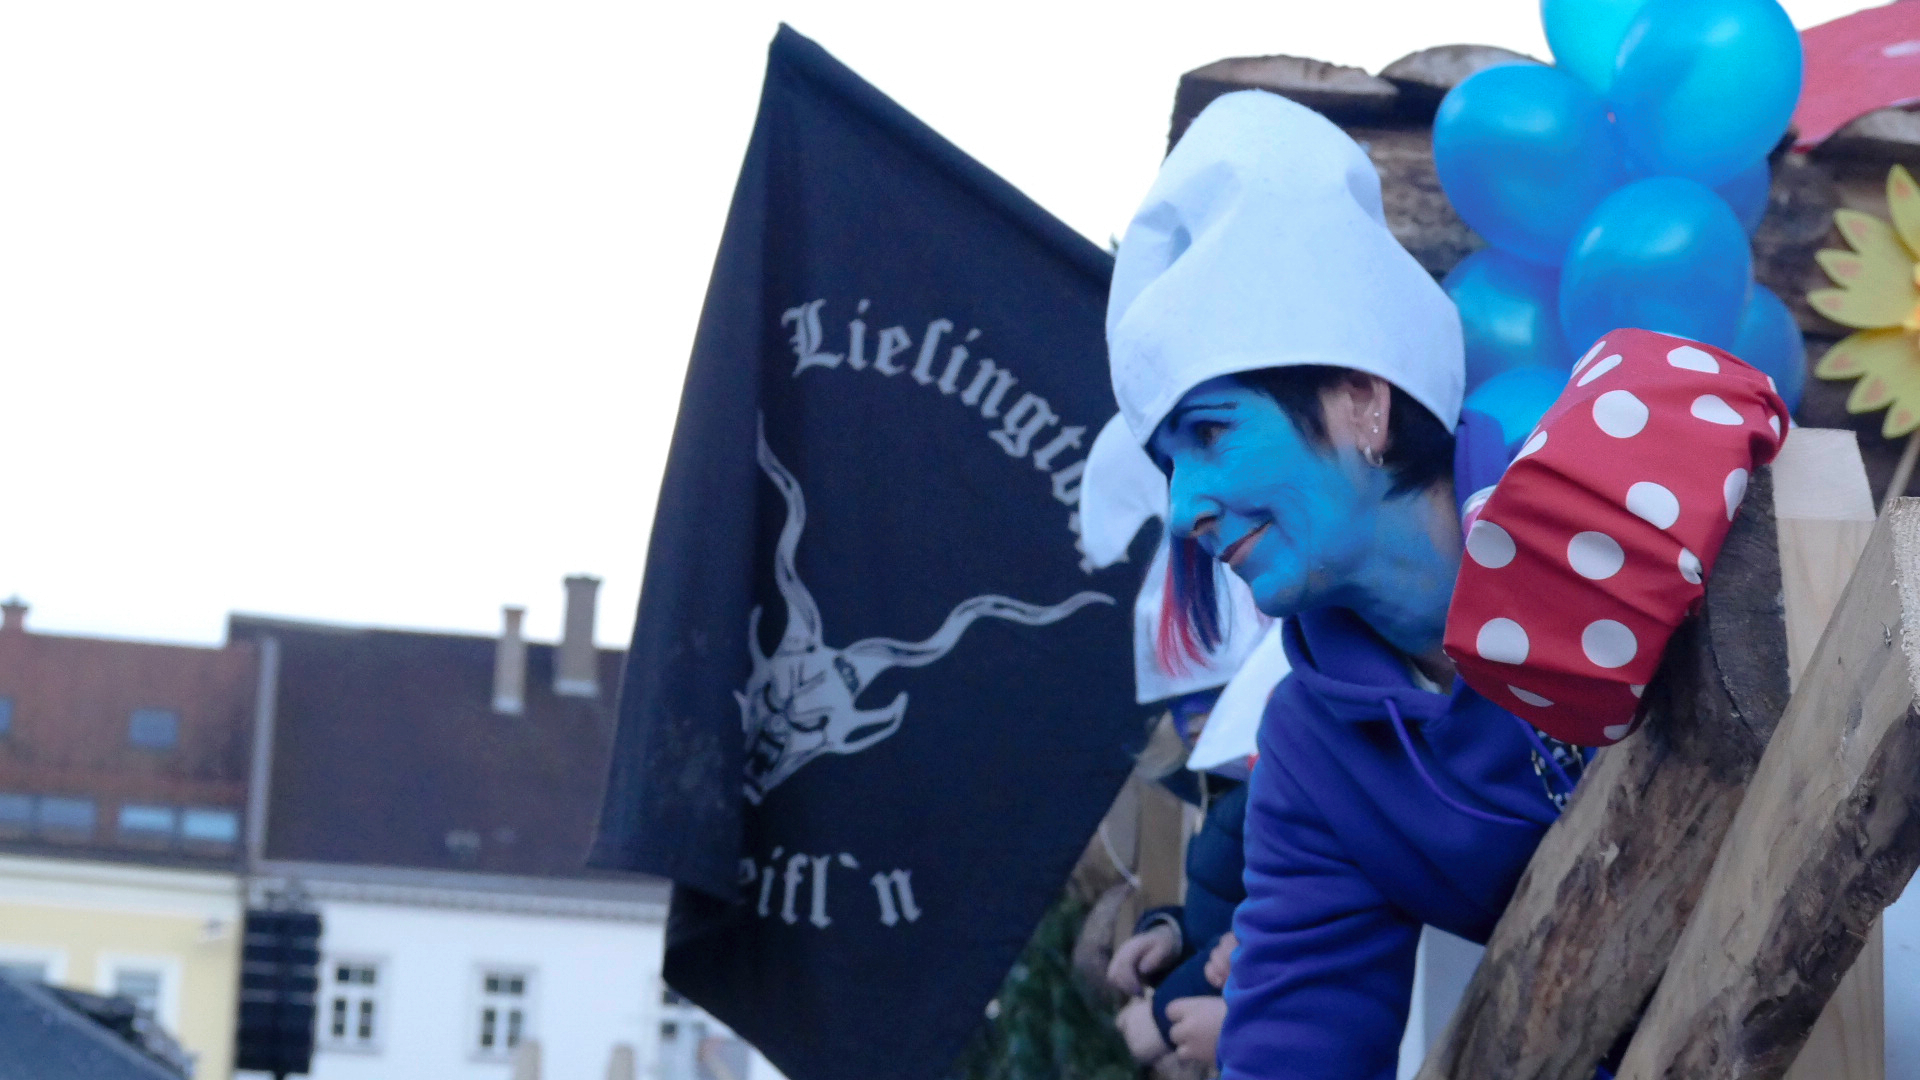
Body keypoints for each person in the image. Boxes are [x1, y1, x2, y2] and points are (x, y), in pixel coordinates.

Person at [1102, 89, 1615, 1080]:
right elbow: (1296, 1050)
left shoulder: (1610, 514)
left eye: (1210, 433)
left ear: (1361, 401)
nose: (1184, 509)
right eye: (1169, 465)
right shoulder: (1314, 758)